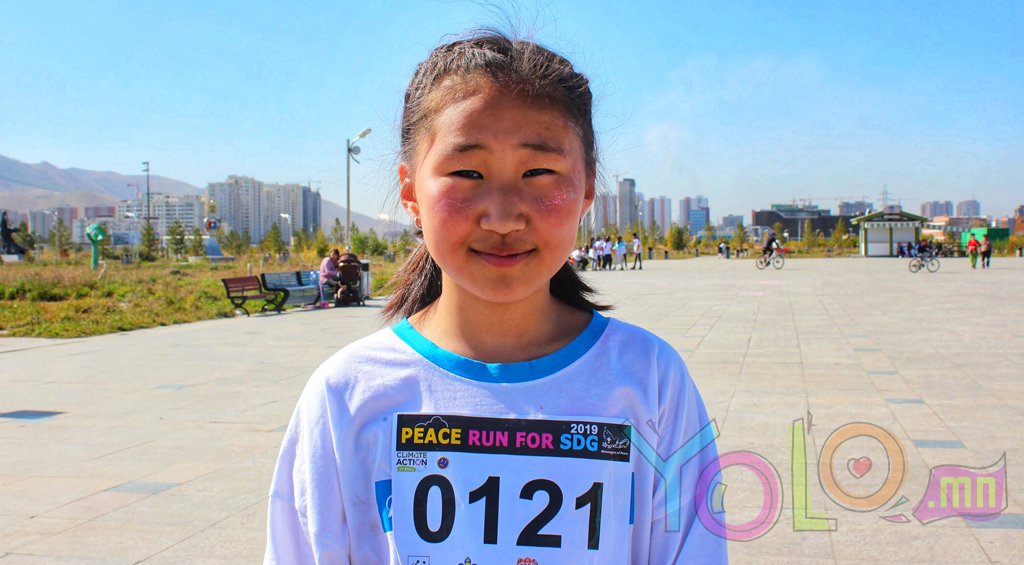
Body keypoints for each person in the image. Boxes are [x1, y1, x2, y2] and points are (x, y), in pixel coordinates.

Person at [265, 32, 725, 564]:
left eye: (538, 173)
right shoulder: (346, 394)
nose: (503, 216)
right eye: (467, 173)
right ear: (411, 190)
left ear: (587, 189)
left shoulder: (652, 381)